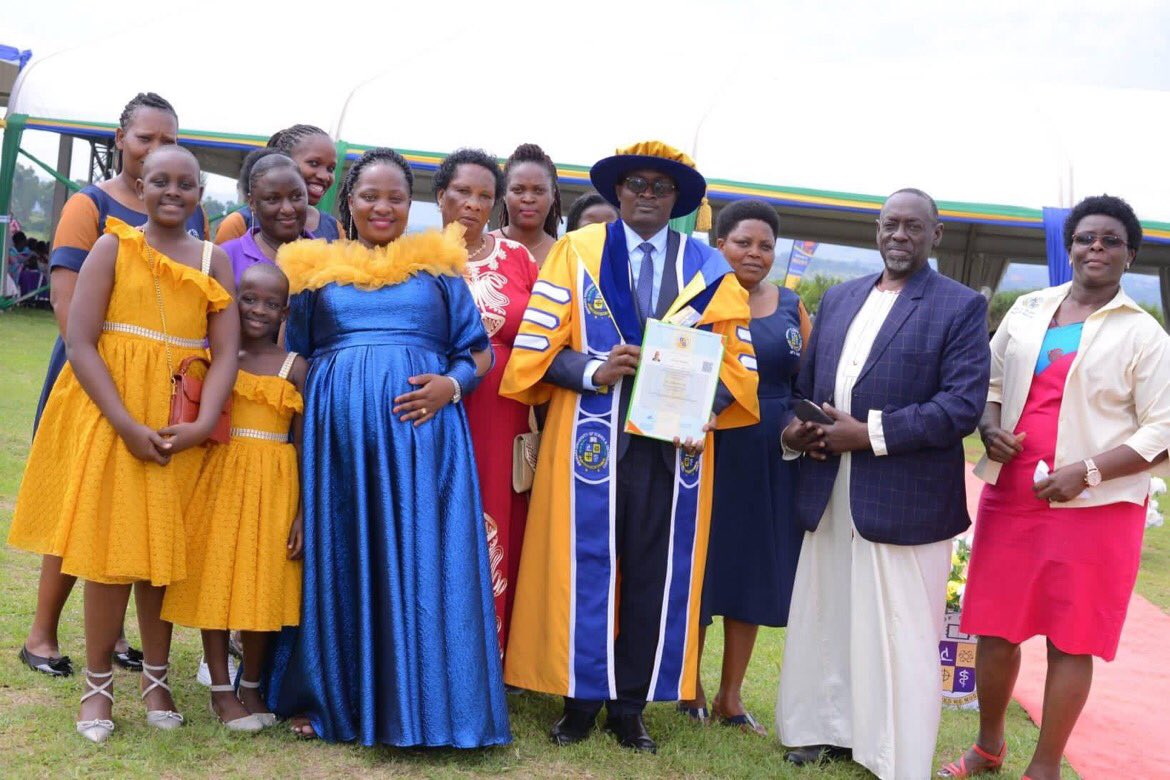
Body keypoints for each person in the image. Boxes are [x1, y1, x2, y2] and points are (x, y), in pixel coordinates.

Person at [501, 140, 759, 753]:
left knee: (654, 568)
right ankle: (580, 699)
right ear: (618, 192)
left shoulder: (709, 266)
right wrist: (594, 370)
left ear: (677, 200)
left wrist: (704, 407)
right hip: (590, 436)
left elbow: (737, 366)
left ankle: (629, 705)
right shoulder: (578, 252)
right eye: (636, 185)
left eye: (660, 188)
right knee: (585, 562)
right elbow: (537, 350)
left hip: (674, 446)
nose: (647, 195)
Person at [265, 147, 509, 748]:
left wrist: (453, 386)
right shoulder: (314, 273)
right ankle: (333, 704)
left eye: (395, 198)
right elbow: (295, 356)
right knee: (343, 554)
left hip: (422, 440)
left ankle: (433, 711)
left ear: (411, 205)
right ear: (346, 201)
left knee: (425, 559)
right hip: (339, 446)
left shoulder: (440, 270)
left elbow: (477, 351)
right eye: (369, 196)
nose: (382, 207)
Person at [8, 145, 239, 743]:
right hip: (114, 419)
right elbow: (81, 342)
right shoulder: (114, 246)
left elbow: (225, 353)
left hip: (176, 425)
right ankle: (97, 685)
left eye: (185, 183)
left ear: (200, 192)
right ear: (140, 181)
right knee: (110, 554)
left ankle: (156, 679)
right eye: (158, 180)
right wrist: (124, 424)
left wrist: (201, 421)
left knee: (160, 555)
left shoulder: (215, 260)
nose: (171, 191)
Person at [940, 195, 1170, 780]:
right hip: (1015, 493)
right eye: (1086, 238)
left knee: (1073, 639)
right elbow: (987, 382)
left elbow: (1163, 431)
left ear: (1130, 255)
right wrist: (989, 427)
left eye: (1110, 241)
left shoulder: (1144, 335)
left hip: (1097, 505)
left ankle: (1044, 766)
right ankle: (988, 747)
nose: (1096, 248)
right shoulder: (1028, 310)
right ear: (1069, 247)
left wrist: (1086, 472)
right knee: (996, 626)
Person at [777, 188, 990, 779]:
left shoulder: (960, 306)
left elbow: (960, 408)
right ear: (877, 230)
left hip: (904, 491)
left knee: (898, 627)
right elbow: (810, 382)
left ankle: (891, 751)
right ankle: (821, 728)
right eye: (890, 225)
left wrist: (866, 433)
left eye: (913, 227)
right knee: (828, 608)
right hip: (829, 480)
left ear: (935, 235)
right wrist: (800, 431)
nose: (900, 235)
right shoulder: (841, 297)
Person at [20, 92, 209, 679]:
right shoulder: (90, 204)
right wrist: (112, 388)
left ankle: (117, 637)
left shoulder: (188, 214)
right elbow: (67, 304)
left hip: (161, 386)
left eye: (167, 138)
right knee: (82, 508)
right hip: (93, 380)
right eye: (145, 137)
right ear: (120, 139)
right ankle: (42, 634)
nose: (155, 148)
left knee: (136, 512)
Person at [677, 199, 810, 735]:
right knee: (700, 568)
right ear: (719, 245)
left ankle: (732, 697)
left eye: (765, 246)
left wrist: (802, 428)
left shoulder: (792, 305)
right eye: (743, 243)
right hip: (708, 449)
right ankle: (689, 687)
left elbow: (807, 381)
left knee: (752, 572)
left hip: (771, 454)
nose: (754, 253)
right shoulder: (697, 303)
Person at [161, 263, 306, 733]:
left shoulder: (296, 366)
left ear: (285, 311)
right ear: (233, 301)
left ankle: (252, 683)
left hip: (276, 484)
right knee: (218, 580)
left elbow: (303, 445)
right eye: (249, 299)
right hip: (222, 478)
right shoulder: (218, 357)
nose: (258, 310)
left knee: (265, 583)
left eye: (270, 303)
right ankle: (221, 688)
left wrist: (303, 512)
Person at [435, 148, 539, 654]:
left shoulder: (518, 259)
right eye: (462, 192)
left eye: (484, 196)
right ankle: (430, 650)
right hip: (432, 407)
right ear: (440, 196)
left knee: (494, 518)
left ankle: (490, 656)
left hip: (501, 409)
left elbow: (546, 336)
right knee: (432, 518)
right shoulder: (410, 255)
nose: (472, 205)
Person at [214, 124, 339, 243]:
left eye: (331, 169)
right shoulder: (239, 223)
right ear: (282, 160)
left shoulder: (334, 229)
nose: (324, 176)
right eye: (314, 163)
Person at [220, 152, 311, 285]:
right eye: (273, 199)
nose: (288, 209)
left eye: (296, 196)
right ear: (252, 203)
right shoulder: (226, 258)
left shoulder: (328, 259)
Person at [490, 143, 561, 266]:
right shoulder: (481, 248)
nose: (528, 199)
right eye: (518, 190)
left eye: (539, 191)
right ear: (504, 194)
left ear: (553, 196)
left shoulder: (563, 255)